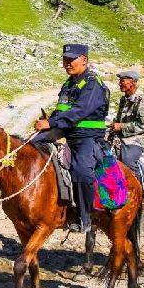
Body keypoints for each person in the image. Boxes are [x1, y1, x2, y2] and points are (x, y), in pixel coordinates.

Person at [33, 44, 110, 233]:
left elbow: (79, 112)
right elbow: (62, 110)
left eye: (71, 59)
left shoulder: (93, 83)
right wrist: (49, 120)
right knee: (34, 144)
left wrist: (51, 123)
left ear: (84, 60)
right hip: (67, 130)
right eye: (65, 59)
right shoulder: (68, 84)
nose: (67, 63)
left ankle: (85, 218)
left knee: (82, 171)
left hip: (87, 136)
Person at [109, 70, 144, 168]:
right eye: (120, 81)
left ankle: (136, 181)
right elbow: (119, 120)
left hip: (139, 139)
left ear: (132, 82)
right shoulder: (124, 99)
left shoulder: (143, 99)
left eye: (123, 81)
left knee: (127, 161)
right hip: (122, 136)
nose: (119, 83)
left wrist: (121, 126)